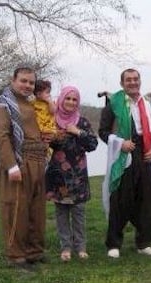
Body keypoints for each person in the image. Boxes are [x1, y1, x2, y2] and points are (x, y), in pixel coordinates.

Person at [0, 67, 51, 270]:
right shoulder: (2, 103)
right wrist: (11, 166)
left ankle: (34, 251)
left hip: (38, 160)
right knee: (17, 208)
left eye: (31, 83)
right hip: (18, 161)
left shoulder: (35, 104)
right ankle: (16, 255)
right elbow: (2, 136)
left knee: (36, 210)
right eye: (23, 81)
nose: (27, 86)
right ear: (13, 80)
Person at [99, 68, 151, 259]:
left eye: (136, 79)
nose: (133, 83)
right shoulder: (114, 104)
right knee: (120, 198)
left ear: (140, 81)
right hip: (124, 153)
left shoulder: (148, 104)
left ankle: (143, 243)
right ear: (122, 83)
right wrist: (120, 143)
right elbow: (103, 131)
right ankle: (114, 243)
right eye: (128, 80)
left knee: (147, 198)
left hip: (145, 153)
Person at [45, 86, 99, 262]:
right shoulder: (51, 121)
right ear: (61, 100)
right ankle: (66, 247)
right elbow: (43, 143)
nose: (70, 102)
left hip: (78, 176)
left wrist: (78, 132)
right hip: (58, 176)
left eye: (74, 99)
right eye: (67, 98)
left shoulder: (81, 122)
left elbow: (93, 144)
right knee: (61, 214)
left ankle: (81, 247)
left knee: (78, 213)